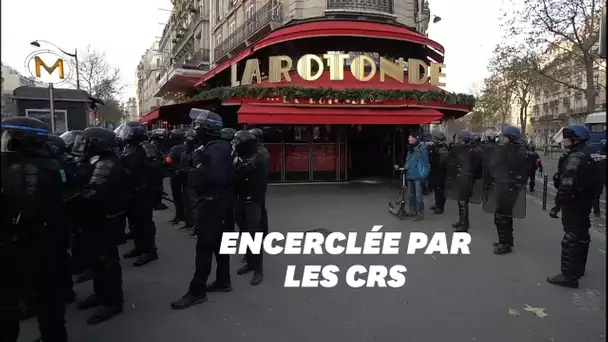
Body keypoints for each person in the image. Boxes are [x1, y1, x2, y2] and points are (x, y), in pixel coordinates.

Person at [0, 117, 68, 342]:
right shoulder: (49, 163)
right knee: (48, 293)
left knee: (9, 300)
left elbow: (21, 208)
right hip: (45, 237)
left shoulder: (25, 169)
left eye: (7, 136)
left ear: (22, 139)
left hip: (23, 242)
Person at [171, 109, 233, 310]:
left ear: (207, 129)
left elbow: (216, 177)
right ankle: (223, 281)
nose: (194, 128)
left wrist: (197, 166)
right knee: (218, 244)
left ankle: (197, 291)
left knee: (204, 247)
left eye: (198, 125)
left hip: (213, 203)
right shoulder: (210, 146)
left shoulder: (217, 148)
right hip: (215, 201)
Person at [72, 127, 126, 324]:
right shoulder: (94, 161)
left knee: (107, 261)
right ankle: (100, 293)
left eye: (87, 142)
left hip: (106, 219)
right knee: (96, 260)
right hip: (95, 218)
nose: (83, 146)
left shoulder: (108, 164)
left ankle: (113, 301)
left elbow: (94, 193)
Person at [547, 125, 596, 288]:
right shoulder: (588, 154)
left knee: (570, 238)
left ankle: (568, 276)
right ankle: (578, 269)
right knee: (582, 236)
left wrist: (557, 206)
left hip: (573, 203)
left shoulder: (574, 158)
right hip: (584, 202)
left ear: (575, 139)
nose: (564, 140)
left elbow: (566, 186)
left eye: (567, 137)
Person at [118, 121, 159, 267]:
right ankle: (139, 247)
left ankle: (150, 251)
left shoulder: (146, 147)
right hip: (132, 191)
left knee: (145, 222)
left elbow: (153, 169)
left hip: (143, 192)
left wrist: (143, 185)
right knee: (134, 222)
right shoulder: (129, 147)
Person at [234, 130, 269, 285]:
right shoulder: (242, 155)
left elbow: (243, 170)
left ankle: (258, 270)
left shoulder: (260, 155)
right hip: (241, 197)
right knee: (244, 232)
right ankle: (250, 262)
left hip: (254, 199)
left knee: (255, 234)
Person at [487, 126, 527, 255]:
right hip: (505, 185)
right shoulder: (510, 150)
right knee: (505, 215)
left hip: (508, 186)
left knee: (501, 216)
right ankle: (507, 240)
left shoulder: (515, 152)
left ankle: (504, 244)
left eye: (504, 136)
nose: (501, 138)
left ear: (511, 138)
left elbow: (509, 167)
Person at [446, 130, 482, 232]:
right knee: (461, 201)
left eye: (459, 139)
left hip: (468, 177)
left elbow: (478, 166)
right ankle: (462, 221)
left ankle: (464, 224)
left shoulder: (474, 150)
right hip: (462, 176)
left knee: (463, 201)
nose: (458, 141)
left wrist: (473, 176)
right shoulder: (465, 149)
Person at [404, 131, 430, 221]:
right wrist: (405, 167)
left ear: (415, 138)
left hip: (419, 175)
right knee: (410, 195)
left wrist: (424, 175)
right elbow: (408, 160)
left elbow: (425, 163)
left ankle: (420, 213)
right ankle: (412, 211)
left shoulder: (422, 148)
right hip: (410, 174)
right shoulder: (410, 148)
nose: (408, 139)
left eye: (410, 137)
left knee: (418, 196)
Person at [249, 128, 270, 235]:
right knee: (261, 208)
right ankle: (263, 229)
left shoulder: (260, 152)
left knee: (259, 209)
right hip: (261, 183)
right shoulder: (260, 150)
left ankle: (262, 230)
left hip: (259, 184)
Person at [165, 129, 187, 224]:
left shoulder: (174, 149)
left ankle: (179, 215)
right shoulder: (187, 147)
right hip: (186, 174)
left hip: (175, 174)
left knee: (177, 196)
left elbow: (168, 160)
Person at [428, 131, 450, 214]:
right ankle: (437, 203)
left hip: (440, 172)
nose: (432, 139)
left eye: (434, 137)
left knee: (439, 189)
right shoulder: (437, 146)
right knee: (436, 188)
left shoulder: (443, 148)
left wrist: (432, 157)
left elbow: (441, 162)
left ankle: (440, 207)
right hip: (436, 171)